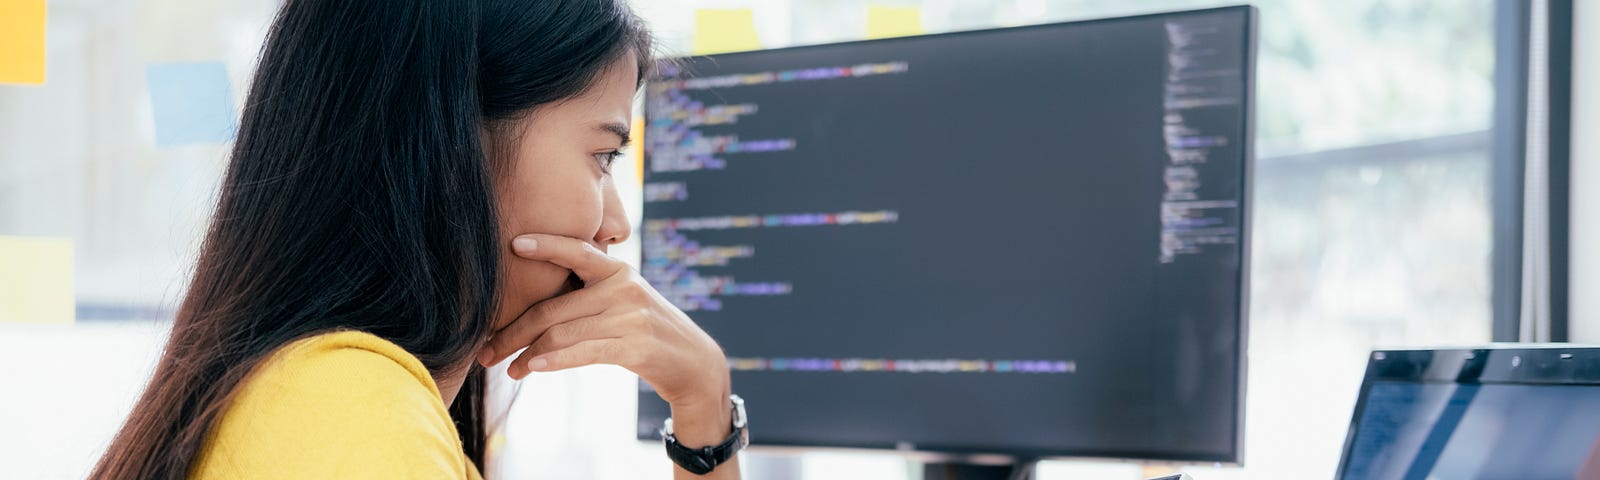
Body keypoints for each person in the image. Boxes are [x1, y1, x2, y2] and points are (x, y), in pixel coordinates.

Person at [90, 0, 742, 478]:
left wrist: (702, 398)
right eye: (602, 156)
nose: (616, 224)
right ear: (458, 143)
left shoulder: (321, 394)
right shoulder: (356, 420)